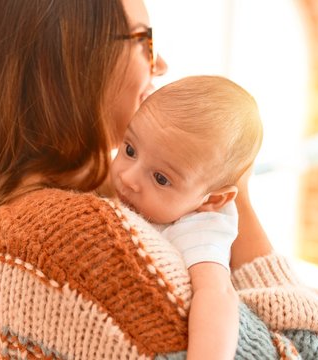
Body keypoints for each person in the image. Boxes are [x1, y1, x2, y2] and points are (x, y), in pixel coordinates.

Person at [0, 0, 318, 358]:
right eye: (143, 41)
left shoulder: (2, 216)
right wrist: (239, 198)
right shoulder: (81, 242)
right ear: (66, 57)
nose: (162, 62)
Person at [111, 75, 264, 359]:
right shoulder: (132, 186)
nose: (128, 177)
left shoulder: (197, 227)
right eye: (130, 149)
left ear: (212, 200)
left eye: (160, 178)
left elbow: (217, 296)